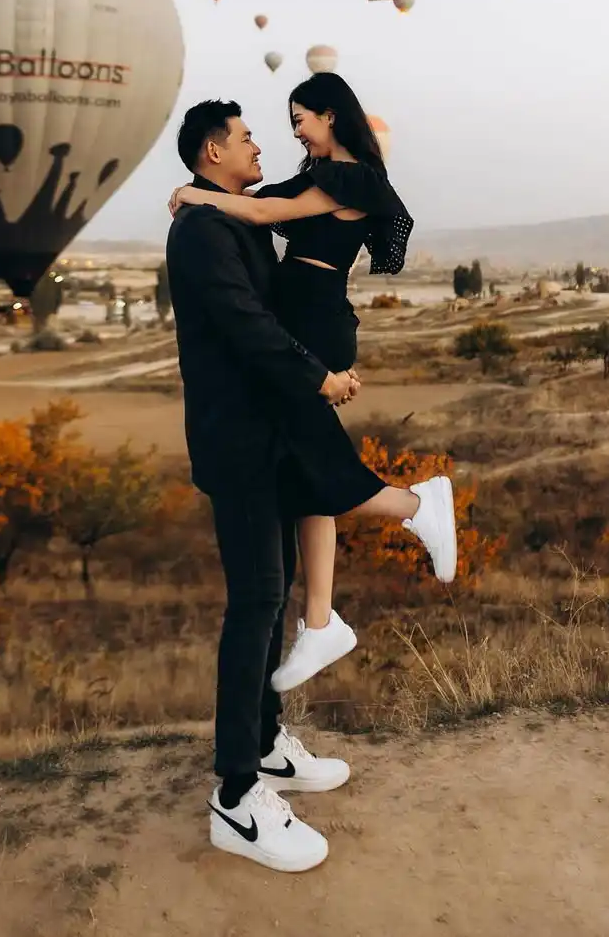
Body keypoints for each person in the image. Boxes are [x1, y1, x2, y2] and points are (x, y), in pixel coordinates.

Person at [166, 99, 457, 872]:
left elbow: (293, 209)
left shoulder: (237, 216)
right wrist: (318, 378)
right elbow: (243, 324)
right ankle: (236, 797)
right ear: (209, 152)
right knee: (256, 603)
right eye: (247, 137)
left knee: (276, 589)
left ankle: (263, 746)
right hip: (241, 442)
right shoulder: (202, 231)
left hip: (269, 432)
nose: (263, 142)